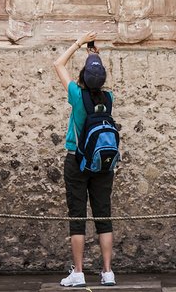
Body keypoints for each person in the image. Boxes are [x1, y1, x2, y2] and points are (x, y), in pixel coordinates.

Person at [53, 31, 117, 287]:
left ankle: (78, 272)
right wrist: (95, 58)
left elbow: (58, 64)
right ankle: (108, 272)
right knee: (104, 215)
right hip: (103, 164)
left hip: (76, 162)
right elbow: (97, 78)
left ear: (82, 77)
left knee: (77, 216)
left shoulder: (77, 96)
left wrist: (79, 44)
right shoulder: (109, 98)